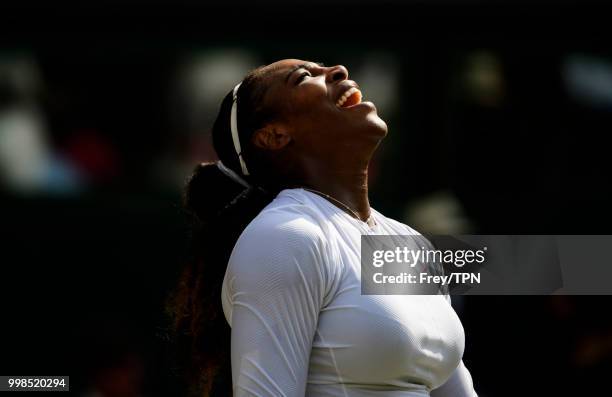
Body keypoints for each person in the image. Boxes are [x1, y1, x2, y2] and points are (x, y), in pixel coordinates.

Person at [170, 59, 477, 396]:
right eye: (304, 77)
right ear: (274, 136)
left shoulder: (410, 243)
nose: (339, 70)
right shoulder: (284, 236)